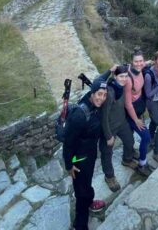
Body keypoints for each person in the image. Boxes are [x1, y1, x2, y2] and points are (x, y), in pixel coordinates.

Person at [63, 81, 108, 230]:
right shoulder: (80, 115)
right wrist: (69, 165)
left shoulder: (95, 107)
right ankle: (80, 225)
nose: (101, 98)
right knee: (81, 192)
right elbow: (68, 143)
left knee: (86, 185)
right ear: (92, 93)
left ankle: (90, 202)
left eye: (104, 95)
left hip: (89, 155)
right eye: (99, 94)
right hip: (78, 159)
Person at [94, 64, 136, 192]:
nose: (124, 79)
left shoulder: (121, 88)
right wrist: (108, 136)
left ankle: (127, 159)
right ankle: (109, 177)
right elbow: (103, 116)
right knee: (107, 153)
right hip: (109, 127)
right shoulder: (110, 92)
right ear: (115, 76)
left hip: (121, 122)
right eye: (121, 76)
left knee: (130, 141)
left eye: (125, 76)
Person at [124, 50, 153, 176]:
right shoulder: (129, 79)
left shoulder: (141, 67)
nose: (139, 63)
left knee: (130, 136)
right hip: (131, 112)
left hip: (139, 108)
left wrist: (150, 62)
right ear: (132, 62)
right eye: (136, 61)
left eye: (141, 61)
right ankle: (142, 164)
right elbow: (127, 103)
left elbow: (144, 64)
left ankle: (128, 155)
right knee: (146, 136)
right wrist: (135, 119)